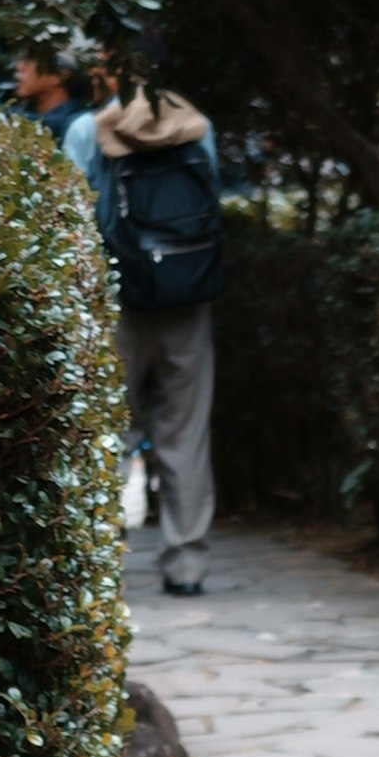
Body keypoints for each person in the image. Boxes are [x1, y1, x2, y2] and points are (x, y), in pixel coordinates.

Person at [80, 61, 232, 599]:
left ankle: (98, 563)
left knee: (106, 433)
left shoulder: (88, 130)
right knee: (185, 434)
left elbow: (76, 215)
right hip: (188, 301)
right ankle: (186, 567)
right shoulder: (196, 125)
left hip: (117, 303)